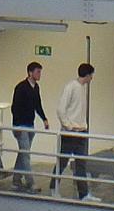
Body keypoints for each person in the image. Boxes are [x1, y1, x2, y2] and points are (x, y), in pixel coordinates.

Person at [50, 62, 94, 200]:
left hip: (81, 132)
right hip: (71, 133)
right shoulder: (71, 87)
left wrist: (83, 126)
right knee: (62, 162)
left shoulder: (81, 88)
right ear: (87, 75)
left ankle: (84, 194)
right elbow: (60, 109)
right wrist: (68, 126)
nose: (92, 78)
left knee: (81, 164)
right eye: (91, 75)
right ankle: (53, 188)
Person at [10, 61, 50, 191]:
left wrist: (44, 118)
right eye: (38, 72)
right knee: (26, 154)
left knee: (23, 153)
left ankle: (16, 179)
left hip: (29, 124)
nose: (39, 74)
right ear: (30, 73)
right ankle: (30, 182)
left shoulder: (36, 87)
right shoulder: (21, 87)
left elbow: (38, 104)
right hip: (21, 125)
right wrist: (18, 124)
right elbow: (14, 107)